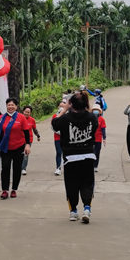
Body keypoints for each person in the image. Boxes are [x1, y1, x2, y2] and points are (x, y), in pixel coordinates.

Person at [52, 92, 97, 223]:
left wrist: (65, 109)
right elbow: (94, 129)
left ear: (71, 104)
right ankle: (87, 208)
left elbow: (54, 123)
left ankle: (73, 211)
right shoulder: (92, 117)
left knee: (72, 184)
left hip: (70, 158)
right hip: (88, 156)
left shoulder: (66, 118)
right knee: (87, 183)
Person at [0, 98, 31, 199]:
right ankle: (5, 190)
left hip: (19, 147)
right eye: (9, 105)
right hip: (5, 148)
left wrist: (27, 145)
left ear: (16, 107)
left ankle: (14, 189)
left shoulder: (21, 117)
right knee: (5, 168)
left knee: (17, 168)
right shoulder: (1, 118)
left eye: (12, 105)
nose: (10, 107)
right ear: (6, 106)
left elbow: (26, 132)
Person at [20, 105, 40, 175]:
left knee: (26, 154)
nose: (26, 113)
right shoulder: (19, 118)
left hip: (28, 140)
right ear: (23, 111)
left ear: (30, 113)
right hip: (19, 139)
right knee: (19, 154)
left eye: (28, 112)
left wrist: (38, 135)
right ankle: (18, 167)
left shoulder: (32, 120)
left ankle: (23, 169)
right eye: (25, 112)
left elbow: (34, 129)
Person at [92, 104, 106, 173]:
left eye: (97, 110)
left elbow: (103, 129)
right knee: (91, 152)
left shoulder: (101, 119)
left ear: (99, 111)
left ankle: (95, 166)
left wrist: (104, 138)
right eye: (94, 110)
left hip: (98, 139)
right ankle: (91, 165)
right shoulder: (90, 118)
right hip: (90, 139)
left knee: (97, 153)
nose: (95, 111)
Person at [51, 104, 63, 176]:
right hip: (57, 137)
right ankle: (58, 168)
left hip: (66, 138)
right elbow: (52, 127)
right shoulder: (54, 116)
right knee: (59, 152)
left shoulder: (67, 116)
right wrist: (59, 132)